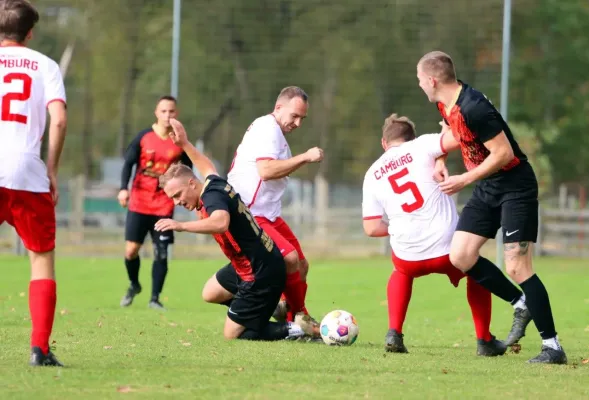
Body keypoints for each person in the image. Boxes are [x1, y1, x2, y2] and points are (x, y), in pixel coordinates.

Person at [416, 50, 567, 364]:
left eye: (420, 80)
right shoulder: (446, 102)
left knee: (517, 266)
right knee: (460, 255)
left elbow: (503, 153)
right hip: (488, 187)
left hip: (515, 185)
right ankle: (519, 303)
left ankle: (553, 347)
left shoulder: (474, 107)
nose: (420, 86)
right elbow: (449, 130)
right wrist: (441, 159)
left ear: (432, 80)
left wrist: (463, 180)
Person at [154, 118, 319, 341]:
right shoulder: (212, 183)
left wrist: (181, 226)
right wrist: (184, 144)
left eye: (178, 195)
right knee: (210, 293)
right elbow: (205, 164)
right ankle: (262, 309)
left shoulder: (212, 198)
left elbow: (220, 222)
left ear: (192, 184)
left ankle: (300, 329)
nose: (177, 202)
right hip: (246, 264)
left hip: (258, 272)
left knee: (232, 335)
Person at [362, 114, 505, 356]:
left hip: (409, 256)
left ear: (383, 143)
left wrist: (396, 227)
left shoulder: (372, 173)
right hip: (448, 249)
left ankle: (394, 332)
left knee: (400, 271)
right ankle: (484, 340)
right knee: (476, 271)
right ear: (411, 138)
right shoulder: (421, 145)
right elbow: (457, 139)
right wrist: (443, 144)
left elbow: (371, 228)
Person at [0, 0, 67, 366]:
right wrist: (52, 169)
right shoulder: (45, 65)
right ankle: (39, 349)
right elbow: (57, 120)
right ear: (30, 32)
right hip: (27, 170)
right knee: (40, 259)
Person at [227, 86, 323, 324]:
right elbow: (266, 170)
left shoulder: (275, 134)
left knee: (301, 264)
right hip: (248, 212)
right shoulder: (267, 128)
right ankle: (298, 319)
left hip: (268, 214)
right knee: (289, 259)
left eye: (302, 118)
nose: (298, 123)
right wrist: (305, 157)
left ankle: (291, 315)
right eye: (294, 116)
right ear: (278, 108)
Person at [118, 96, 193, 310]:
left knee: (161, 251)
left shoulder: (178, 141)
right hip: (139, 203)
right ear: (156, 113)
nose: (167, 115)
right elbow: (128, 164)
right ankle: (134, 285)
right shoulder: (144, 137)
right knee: (131, 251)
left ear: (176, 114)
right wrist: (123, 188)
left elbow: (188, 169)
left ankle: (155, 299)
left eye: (171, 111)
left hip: (163, 205)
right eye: (163, 111)